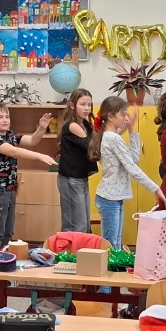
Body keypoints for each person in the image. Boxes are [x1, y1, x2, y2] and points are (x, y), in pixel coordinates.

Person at [88, 96, 166, 249]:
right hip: (109, 198)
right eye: (122, 114)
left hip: (114, 197)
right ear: (110, 116)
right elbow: (132, 168)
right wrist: (155, 188)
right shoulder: (112, 138)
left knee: (115, 243)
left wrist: (131, 129)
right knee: (111, 244)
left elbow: (134, 158)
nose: (126, 118)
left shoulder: (112, 137)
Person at [0, 105, 57, 250]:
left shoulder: (11, 135)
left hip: (10, 189)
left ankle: (4, 258)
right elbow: (13, 151)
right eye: (0, 117)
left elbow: (32, 141)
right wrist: (39, 156)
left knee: (8, 231)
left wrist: (41, 128)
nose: (5, 120)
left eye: (7, 117)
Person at [57, 88, 98, 233]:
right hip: (71, 179)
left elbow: (97, 141)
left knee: (84, 225)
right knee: (76, 225)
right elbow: (92, 147)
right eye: (83, 104)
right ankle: (70, 248)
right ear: (73, 105)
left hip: (80, 178)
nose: (87, 108)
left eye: (89, 105)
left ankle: (81, 247)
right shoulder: (73, 125)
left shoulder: (85, 124)